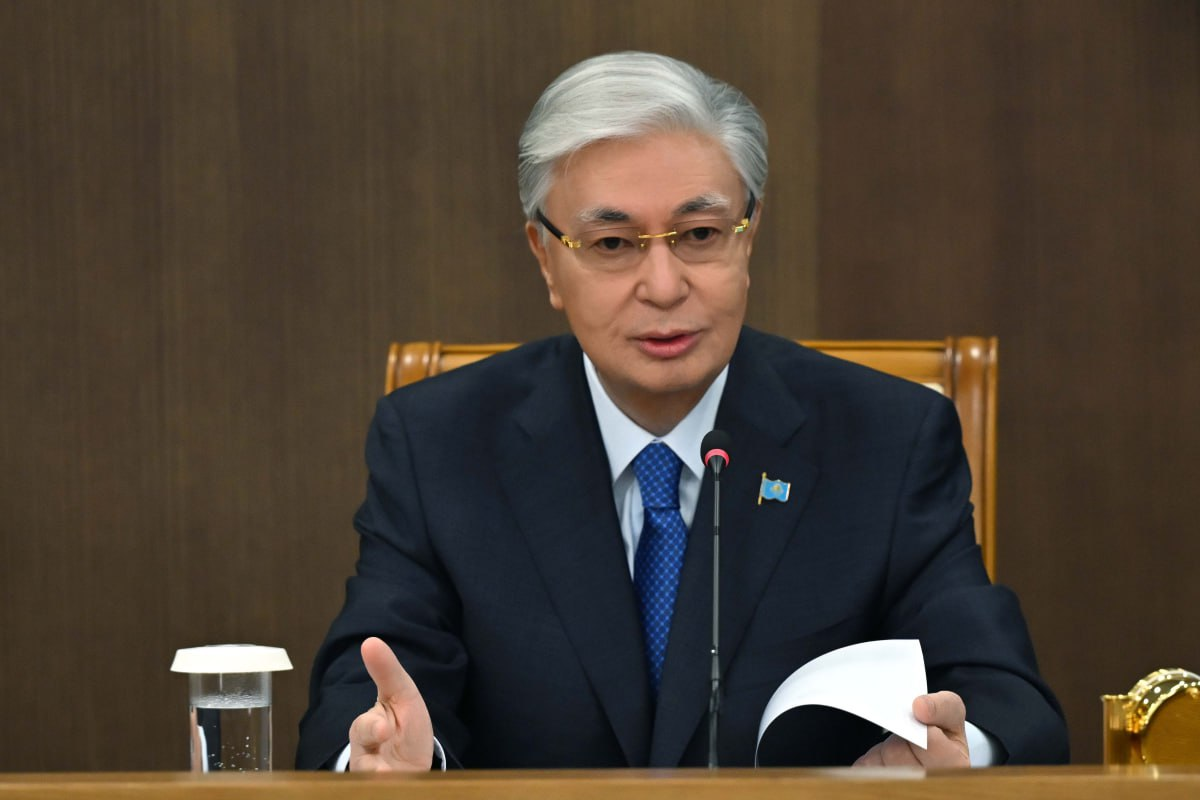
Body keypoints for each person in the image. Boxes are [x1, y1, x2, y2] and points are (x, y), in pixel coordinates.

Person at [296, 51, 1068, 771]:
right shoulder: (439, 443)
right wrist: (389, 759)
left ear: (748, 235)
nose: (664, 287)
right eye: (612, 244)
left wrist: (960, 749)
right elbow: (362, 698)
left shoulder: (887, 439)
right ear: (545, 257)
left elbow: (1006, 699)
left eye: (698, 234)